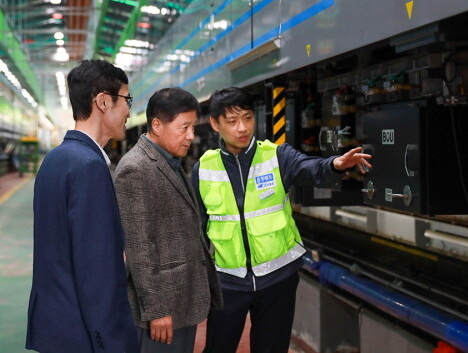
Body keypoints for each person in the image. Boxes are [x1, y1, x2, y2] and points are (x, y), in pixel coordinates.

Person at [191, 87, 372, 353]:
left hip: (277, 279)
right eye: (232, 121)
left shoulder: (276, 156)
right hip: (227, 281)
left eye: (248, 118)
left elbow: (309, 167)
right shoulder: (204, 169)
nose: (242, 128)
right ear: (216, 124)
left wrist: (334, 165)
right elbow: (198, 228)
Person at [26, 59, 138, 353]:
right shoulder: (88, 166)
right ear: (103, 101)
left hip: (56, 328)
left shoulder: (55, 159)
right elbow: (97, 271)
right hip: (85, 336)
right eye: (127, 99)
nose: (129, 110)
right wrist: (113, 342)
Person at [114, 87, 222, 353]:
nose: (191, 136)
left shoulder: (169, 160)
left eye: (193, 127)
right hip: (163, 310)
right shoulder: (135, 169)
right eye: (184, 127)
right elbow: (139, 247)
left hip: (182, 300)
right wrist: (157, 310)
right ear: (157, 125)